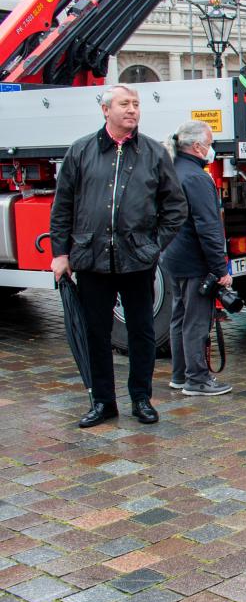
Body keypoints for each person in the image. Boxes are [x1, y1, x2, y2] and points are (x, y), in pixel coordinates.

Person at [50, 84, 188, 428]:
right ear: (105, 110)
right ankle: (102, 401)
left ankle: (141, 398)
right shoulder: (81, 151)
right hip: (91, 260)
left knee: (141, 332)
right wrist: (60, 253)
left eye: (136, 104)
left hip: (137, 261)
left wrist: (153, 245)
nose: (132, 110)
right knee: (96, 332)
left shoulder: (154, 153)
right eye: (125, 104)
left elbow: (175, 207)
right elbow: (62, 205)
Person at [160, 120, 233, 397]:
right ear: (198, 146)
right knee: (196, 320)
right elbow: (208, 227)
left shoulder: (173, 171)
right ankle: (197, 379)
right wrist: (220, 268)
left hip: (174, 257)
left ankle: (180, 375)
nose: (212, 149)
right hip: (194, 260)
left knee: (179, 317)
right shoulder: (197, 178)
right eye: (210, 143)